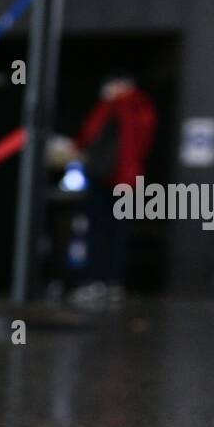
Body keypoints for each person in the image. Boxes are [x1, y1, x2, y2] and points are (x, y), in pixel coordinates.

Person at [68, 71, 157, 302]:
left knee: (113, 231)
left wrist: (115, 102)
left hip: (122, 178)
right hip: (104, 178)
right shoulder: (112, 109)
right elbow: (88, 135)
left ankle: (109, 281)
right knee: (100, 230)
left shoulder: (133, 107)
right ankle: (100, 280)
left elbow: (138, 138)